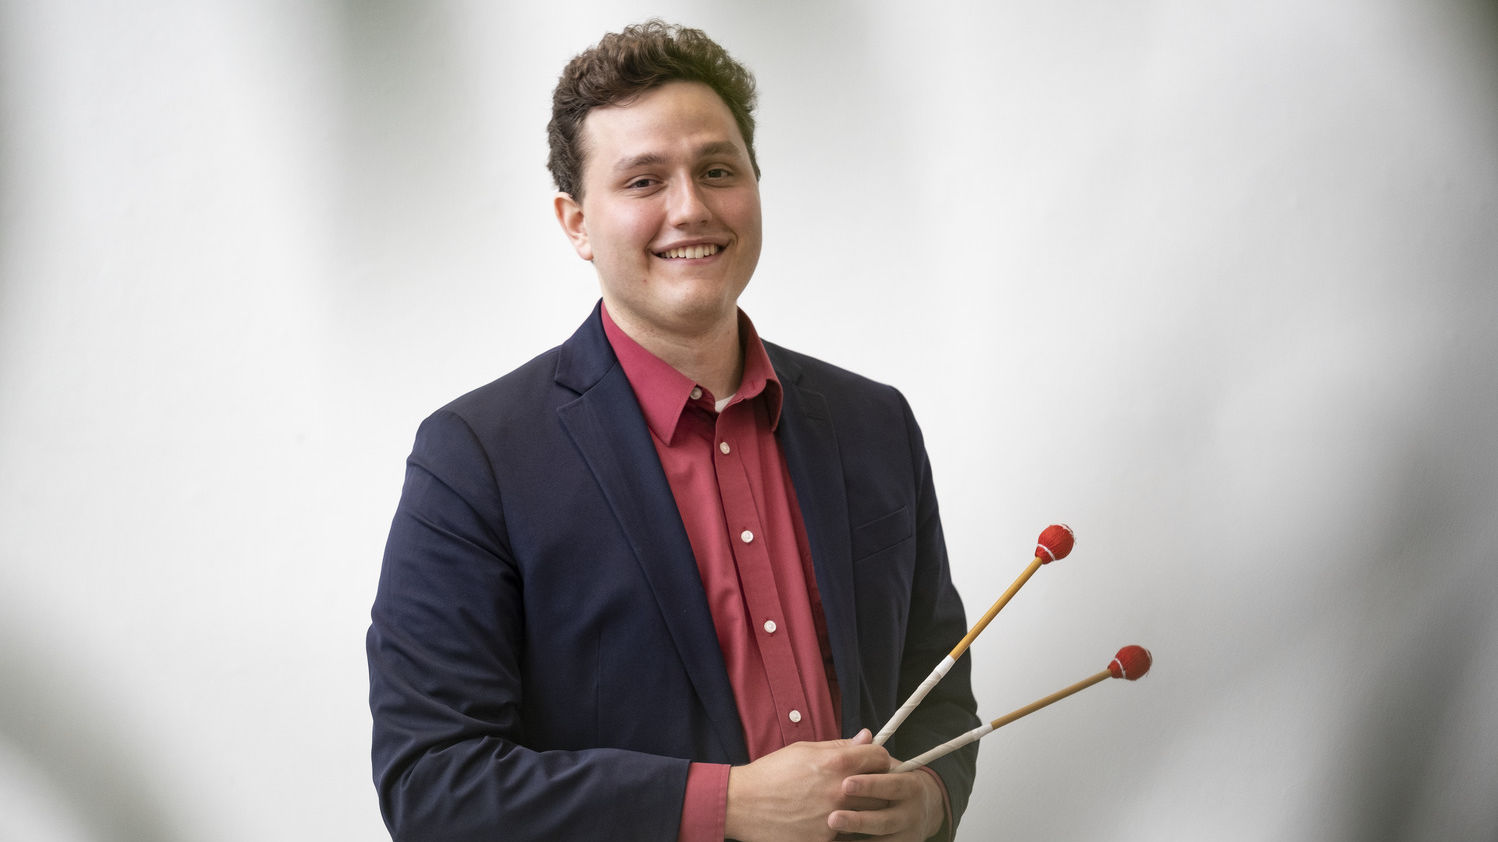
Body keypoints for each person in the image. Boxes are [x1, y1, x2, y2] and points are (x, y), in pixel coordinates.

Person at [367, 20, 979, 842]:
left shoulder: (875, 422)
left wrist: (932, 796)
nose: (690, 208)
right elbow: (433, 783)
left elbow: (936, 676)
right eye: (644, 181)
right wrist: (726, 805)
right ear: (576, 222)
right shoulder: (475, 459)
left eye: (717, 171)